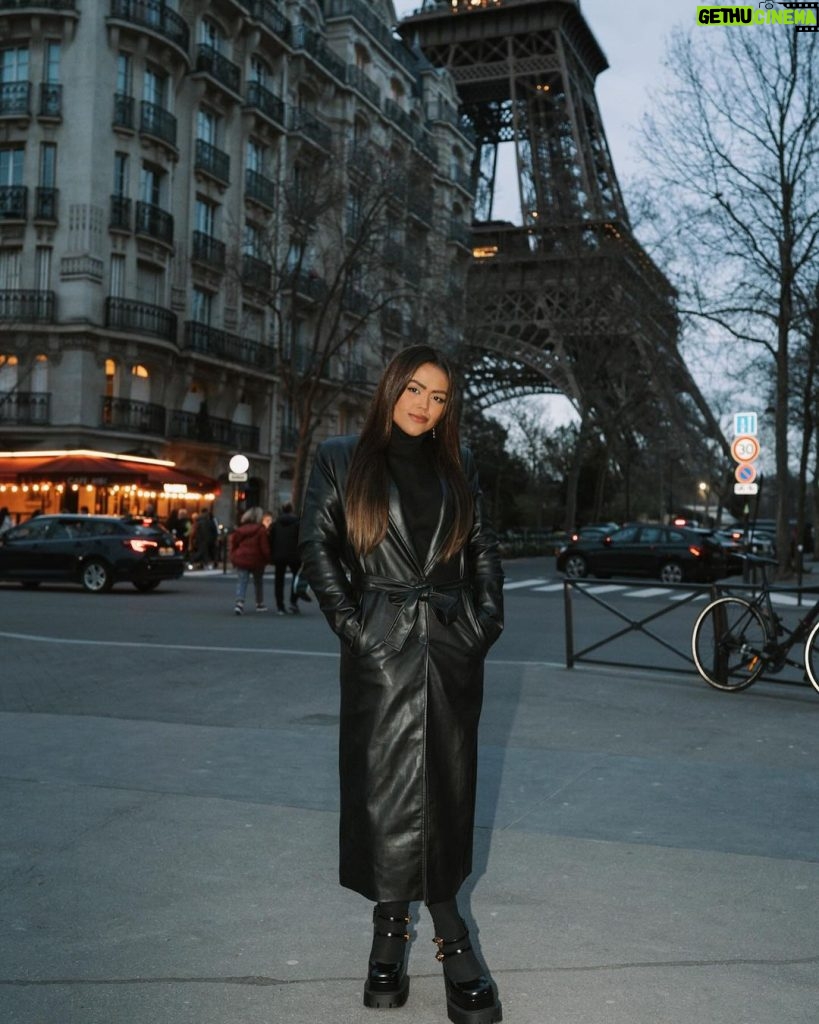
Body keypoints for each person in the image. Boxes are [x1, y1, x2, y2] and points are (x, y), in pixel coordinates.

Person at [299, 345, 504, 1023]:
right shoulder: (338, 456)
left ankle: (449, 940)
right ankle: (391, 937)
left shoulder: (459, 465)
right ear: (391, 387)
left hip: (449, 648)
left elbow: (483, 551)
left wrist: (480, 626)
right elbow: (317, 548)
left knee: (443, 793)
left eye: (438, 397)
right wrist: (357, 630)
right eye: (414, 389)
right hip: (381, 647)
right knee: (385, 801)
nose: (423, 404)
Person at [228, 507, 270, 614]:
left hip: (242, 557)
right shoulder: (261, 530)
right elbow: (264, 547)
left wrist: (233, 556)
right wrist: (268, 558)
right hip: (257, 558)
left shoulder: (240, 530)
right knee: (258, 582)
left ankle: (239, 603)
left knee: (242, 581)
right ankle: (259, 603)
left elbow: (234, 544)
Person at [269, 501, 302, 615]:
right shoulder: (298, 523)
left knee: (279, 580)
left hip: (279, 554)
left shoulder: (276, 524)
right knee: (296, 579)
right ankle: (293, 602)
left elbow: (271, 539)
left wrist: (272, 553)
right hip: (294, 555)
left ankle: (280, 606)